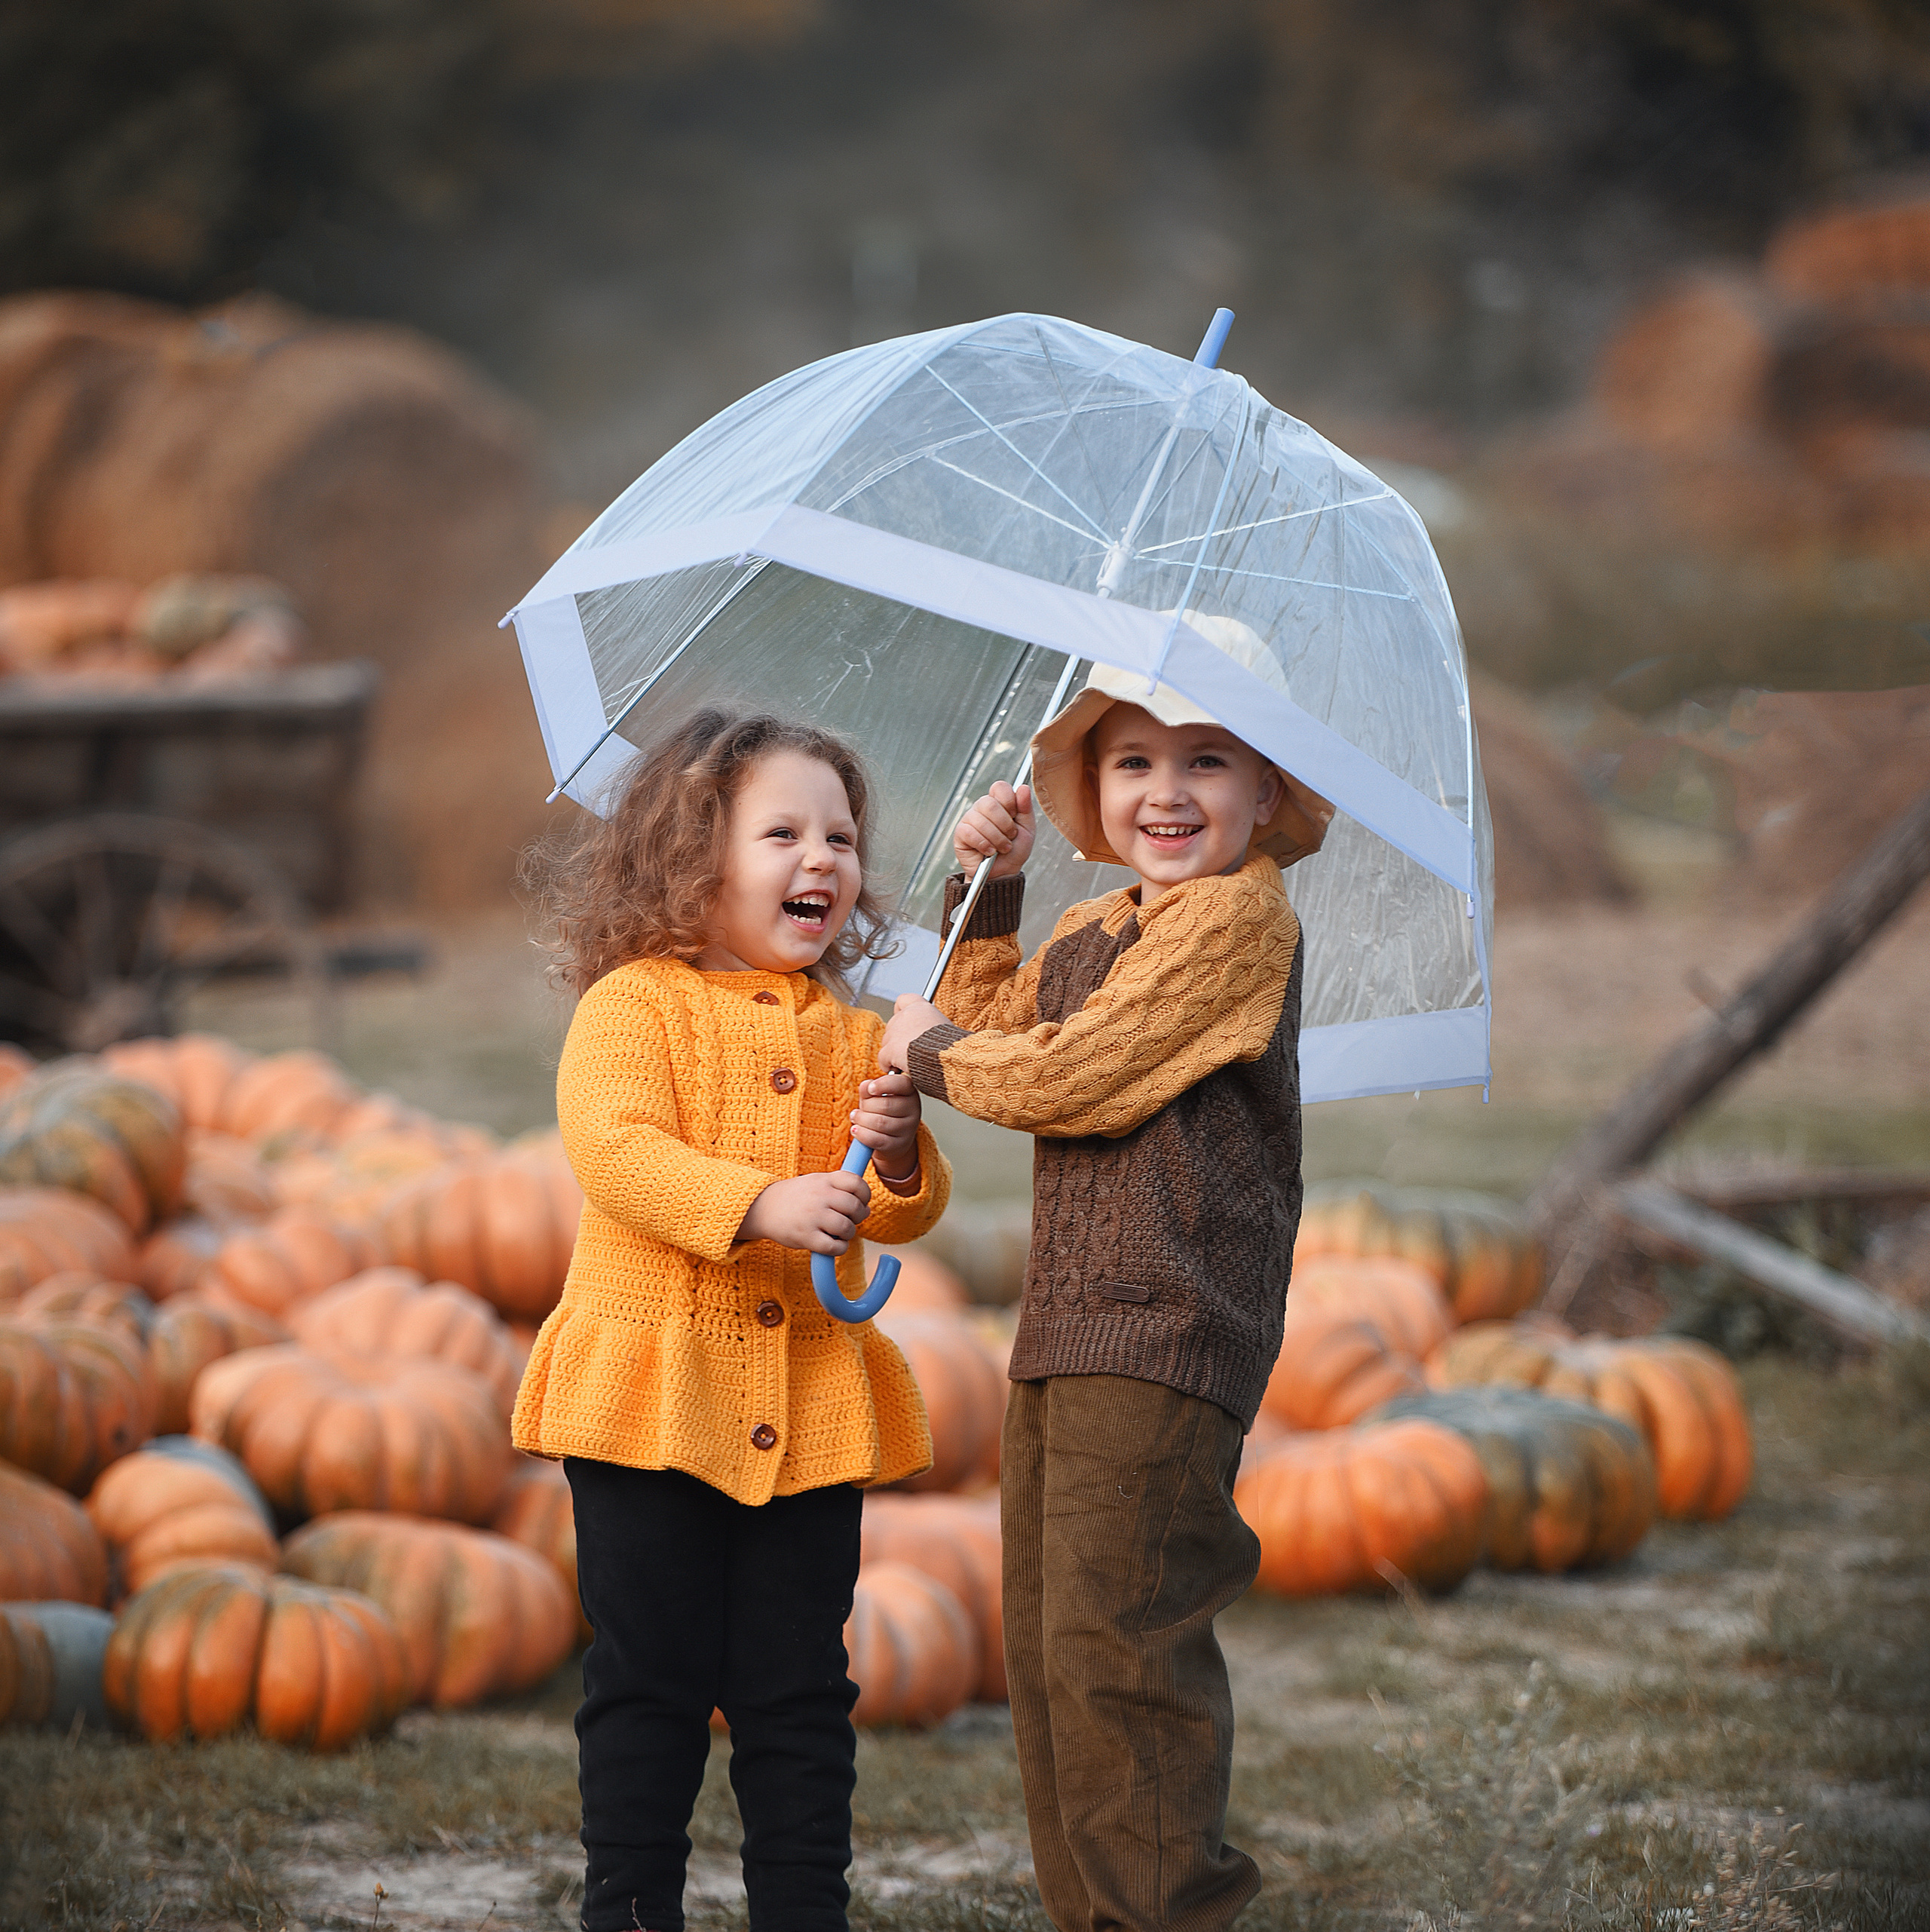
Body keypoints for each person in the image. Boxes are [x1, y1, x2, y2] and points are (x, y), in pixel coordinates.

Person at [878, 657, 1333, 1932]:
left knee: (1124, 1653)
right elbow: (1003, 1024)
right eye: (1134, 762)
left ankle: (1163, 1915)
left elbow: (1076, 1076)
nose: (1167, 792)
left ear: (1265, 790)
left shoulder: (1241, 922)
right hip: (1071, 1323)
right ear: (1090, 784)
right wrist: (995, 890)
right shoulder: (1096, 928)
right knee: (1049, 1649)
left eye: (1207, 761)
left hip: (1171, 1323)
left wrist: (925, 1052)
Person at [515, 707, 951, 1932]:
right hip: (651, 1404)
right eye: (784, 833)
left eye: (843, 837)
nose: (823, 858)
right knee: (646, 1678)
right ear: (689, 857)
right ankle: (633, 1902)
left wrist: (901, 1149)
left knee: (799, 1688)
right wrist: (759, 1199)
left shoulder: (859, 1038)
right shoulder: (634, 1007)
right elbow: (616, 1152)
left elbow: (900, 1216)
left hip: (806, 1408)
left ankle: (803, 1909)